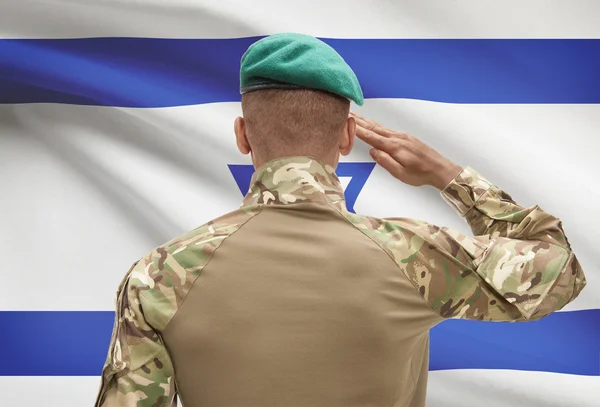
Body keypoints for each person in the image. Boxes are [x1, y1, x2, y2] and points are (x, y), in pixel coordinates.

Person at [94, 33, 587, 407]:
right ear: (348, 136)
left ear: (243, 135)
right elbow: (559, 268)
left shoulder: (158, 276)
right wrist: (449, 176)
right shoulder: (415, 256)